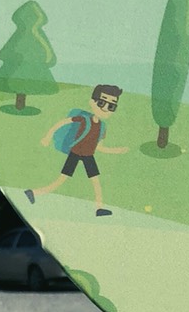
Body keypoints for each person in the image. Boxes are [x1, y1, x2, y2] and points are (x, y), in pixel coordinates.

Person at [25, 84, 127, 218]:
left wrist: (115, 151)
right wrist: (48, 136)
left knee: (95, 181)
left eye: (111, 106)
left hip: (89, 155)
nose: (105, 108)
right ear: (92, 102)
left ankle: (99, 208)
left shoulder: (102, 126)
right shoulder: (85, 119)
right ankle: (33, 192)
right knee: (61, 180)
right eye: (101, 103)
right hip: (76, 152)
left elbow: (99, 147)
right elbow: (63, 122)